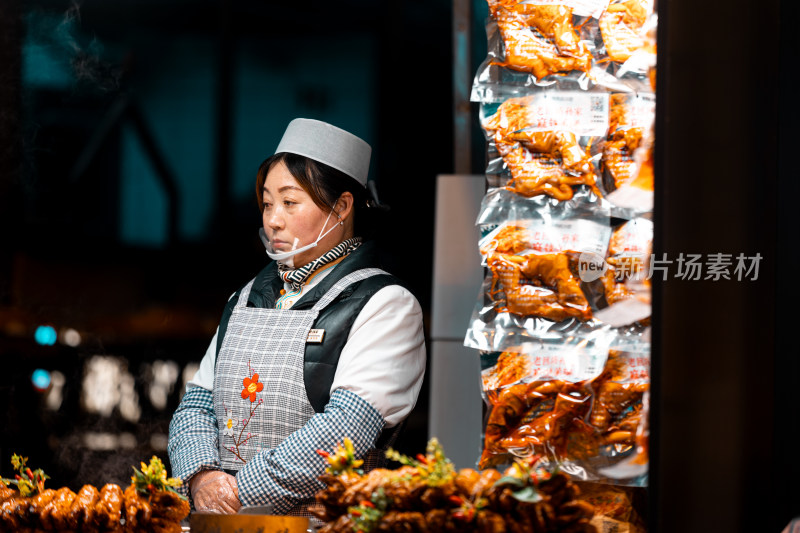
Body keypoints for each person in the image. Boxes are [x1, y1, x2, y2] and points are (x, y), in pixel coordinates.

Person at [167, 118, 426, 516]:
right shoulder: (245, 298)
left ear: (341, 207)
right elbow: (196, 406)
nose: (272, 220)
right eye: (268, 203)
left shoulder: (386, 303)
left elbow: (346, 429)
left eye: (290, 202)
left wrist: (237, 492)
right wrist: (201, 477)